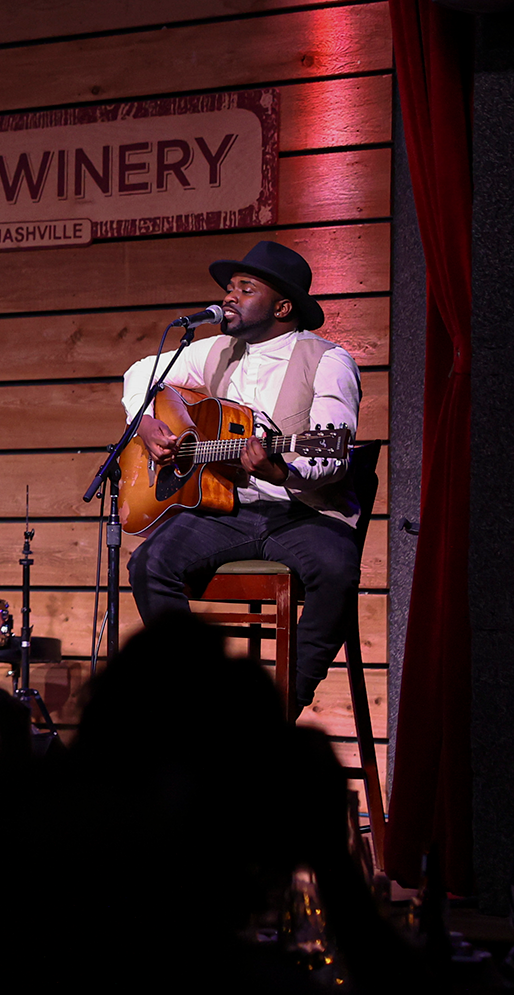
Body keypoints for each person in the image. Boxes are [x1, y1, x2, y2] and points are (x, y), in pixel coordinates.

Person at [121, 240, 361, 712]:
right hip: (228, 509)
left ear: (283, 306)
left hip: (302, 512)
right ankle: (199, 702)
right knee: (149, 565)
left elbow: (334, 451)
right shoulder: (215, 350)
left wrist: (285, 470)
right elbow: (139, 372)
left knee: (336, 570)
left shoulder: (329, 361)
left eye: (245, 289)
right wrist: (145, 420)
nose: (229, 297)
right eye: (229, 288)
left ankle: (279, 712)